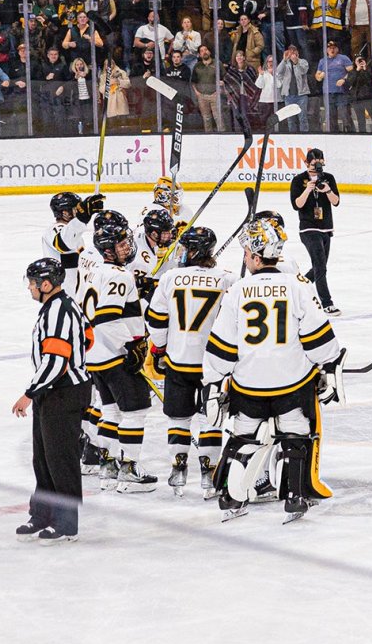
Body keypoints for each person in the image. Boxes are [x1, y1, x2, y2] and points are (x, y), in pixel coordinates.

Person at [204, 217, 340, 523]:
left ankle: (229, 496)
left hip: (248, 384)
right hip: (291, 383)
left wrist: (213, 381)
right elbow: (319, 339)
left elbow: (222, 347)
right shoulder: (298, 286)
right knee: (295, 432)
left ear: (254, 255)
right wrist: (327, 363)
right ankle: (295, 496)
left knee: (242, 434)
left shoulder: (238, 290)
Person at [145, 226, 234, 498]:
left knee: (178, 417)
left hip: (178, 359)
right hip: (212, 365)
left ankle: (178, 468)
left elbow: (156, 319)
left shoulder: (170, 278)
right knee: (211, 417)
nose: (181, 252)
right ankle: (209, 473)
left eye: (185, 248)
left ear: (194, 251)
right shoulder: (227, 280)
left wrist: (160, 348)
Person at [12, 257, 89, 543]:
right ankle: (42, 514)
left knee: (60, 460)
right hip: (53, 391)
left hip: (63, 393)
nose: (30, 288)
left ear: (46, 284)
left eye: (32, 284)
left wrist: (29, 393)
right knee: (43, 458)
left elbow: (57, 360)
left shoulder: (59, 311)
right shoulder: (57, 307)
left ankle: (66, 523)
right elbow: (87, 337)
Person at [79, 211, 157, 492]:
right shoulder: (119, 274)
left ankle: (106, 468)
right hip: (115, 355)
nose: (128, 247)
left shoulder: (96, 270)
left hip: (95, 355)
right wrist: (131, 345)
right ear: (108, 249)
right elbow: (108, 317)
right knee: (136, 412)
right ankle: (129, 471)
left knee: (110, 411)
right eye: (122, 244)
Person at [290, 147, 341, 314]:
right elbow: (296, 205)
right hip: (308, 228)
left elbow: (336, 202)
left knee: (320, 267)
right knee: (319, 264)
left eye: (319, 164)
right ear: (306, 163)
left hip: (326, 227)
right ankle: (327, 303)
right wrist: (308, 189)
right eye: (313, 164)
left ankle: (298, 286)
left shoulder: (329, 178)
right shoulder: (298, 180)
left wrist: (327, 190)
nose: (316, 168)